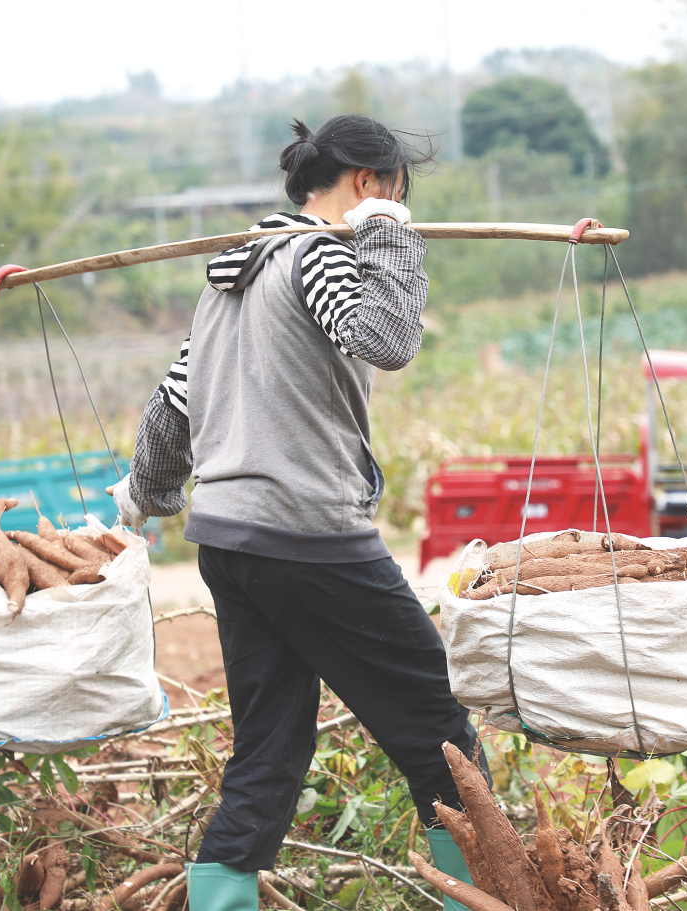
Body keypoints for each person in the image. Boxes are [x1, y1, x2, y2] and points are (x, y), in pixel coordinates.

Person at [108, 114, 489, 911]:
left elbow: (172, 410)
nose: (395, 209)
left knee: (269, 748)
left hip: (228, 542)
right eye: (392, 194)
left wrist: (142, 499)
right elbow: (384, 336)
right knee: (441, 737)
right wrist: (386, 236)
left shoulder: (231, 275)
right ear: (366, 185)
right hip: (307, 538)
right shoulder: (317, 252)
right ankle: (476, 896)